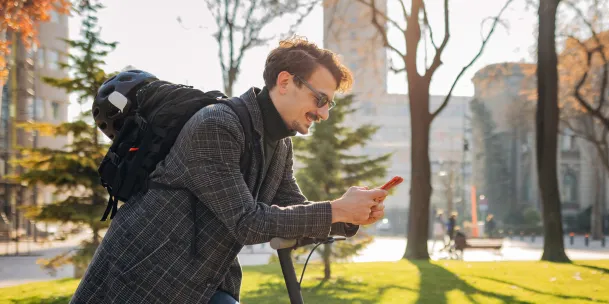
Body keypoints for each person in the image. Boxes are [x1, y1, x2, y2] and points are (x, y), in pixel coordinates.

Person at [70, 37, 389, 304]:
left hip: (199, 284)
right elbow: (247, 222)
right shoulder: (217, 126)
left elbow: (292, 210)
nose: (323, 113)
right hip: (143, 281)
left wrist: (347, 215)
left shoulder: (279, 144)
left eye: (328, 104)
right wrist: (336, 210)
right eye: (319, 99)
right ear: (285, 81)